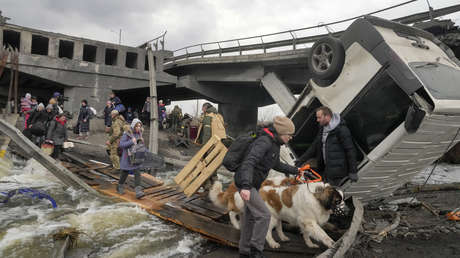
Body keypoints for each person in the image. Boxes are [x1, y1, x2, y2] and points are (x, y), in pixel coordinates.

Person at [234, 116, 300, 258]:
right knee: (264, 215)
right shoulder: (264, 142)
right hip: (246, 182)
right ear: (282, 133)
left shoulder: (274, 143)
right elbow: (249, 162)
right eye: (290, 135)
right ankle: (256, 251)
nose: (291, 138)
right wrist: (245, 186)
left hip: (253, 183)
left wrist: (297, 170)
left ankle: (244, 251)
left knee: (250, 217)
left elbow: (276, 164)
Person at [295, 106, 358, 186]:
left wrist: (353, 171)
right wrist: (301, 160)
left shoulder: (341, 130)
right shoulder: (323, 128)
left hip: (338, 173)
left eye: (319, 118)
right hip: (327, 170)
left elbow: (350, 150)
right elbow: (314, 146)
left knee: (334, 195)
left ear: (327, 116)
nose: (317, 120)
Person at [117, 118, 145, 199]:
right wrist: (131, 141)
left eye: (140, 126)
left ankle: (138, 191)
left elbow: (139, 145)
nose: (138, 128)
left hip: (136, 157)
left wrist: (142, 143)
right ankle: (119, 186)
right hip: (127, 157)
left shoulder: (139, 134)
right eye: (137, 126)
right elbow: (121, 145)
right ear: (133, 126)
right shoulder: (127, 134)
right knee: (125, 172)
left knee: (137, 172)